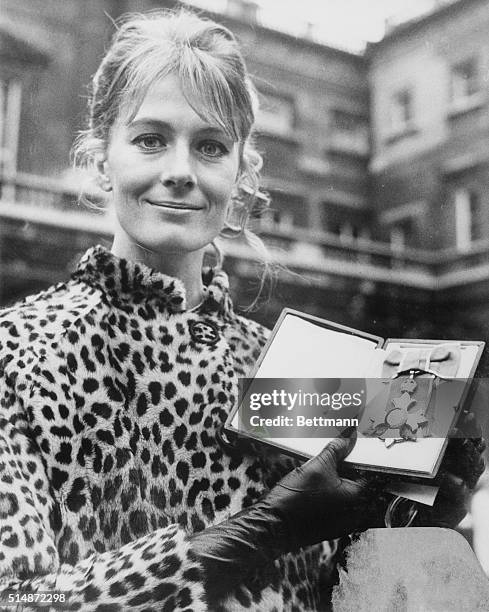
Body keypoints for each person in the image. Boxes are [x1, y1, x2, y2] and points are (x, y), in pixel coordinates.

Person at [0, 8, 483, 611]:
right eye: (150, 140)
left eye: (209, 146)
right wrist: (263, 530)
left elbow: (343, 584)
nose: (179, 171)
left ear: (240, 174)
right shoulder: (18, 352)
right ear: (102, 159)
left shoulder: (281, 365)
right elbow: (16, 599)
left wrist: (413, 511)